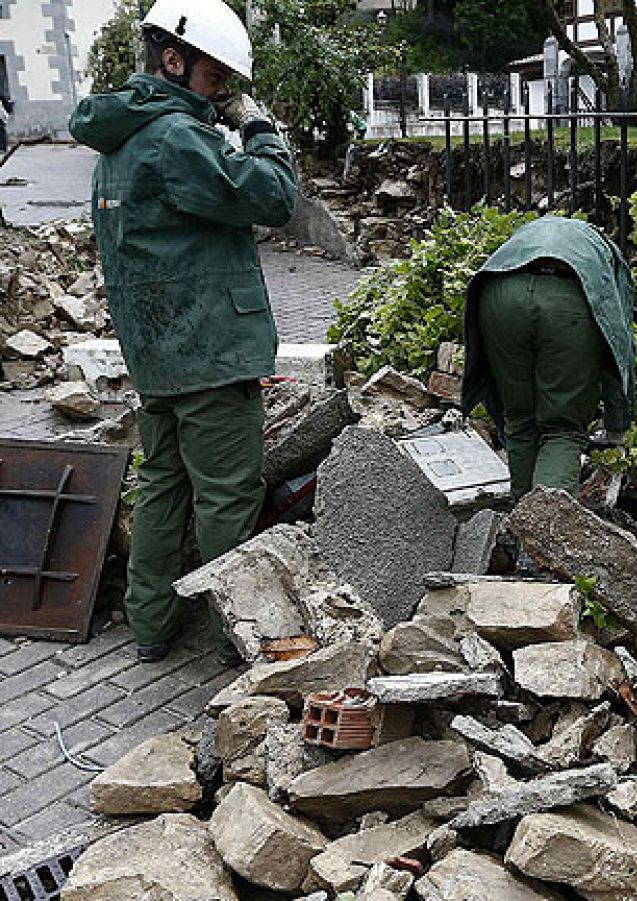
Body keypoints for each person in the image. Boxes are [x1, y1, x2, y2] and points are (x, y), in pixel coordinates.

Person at [69, 0, 297, 664]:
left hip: (158, 356)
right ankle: (237, 637)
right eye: (215, 75)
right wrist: (260, 130)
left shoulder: (120, 139)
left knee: (166, 485)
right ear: (172, 60)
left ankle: (150, 623)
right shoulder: (176, 137)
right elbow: (274, 198)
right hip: (208, 353)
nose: (224, 89)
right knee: (227, 495)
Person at [461, 216, 635, 499]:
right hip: (567, 301)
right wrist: (617, 426)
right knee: (561, 430)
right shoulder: (608, 255)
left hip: (498, 295)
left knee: (519, 421)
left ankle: (520, 530)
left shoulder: (528, 234)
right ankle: (545, 538)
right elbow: (619, 342)